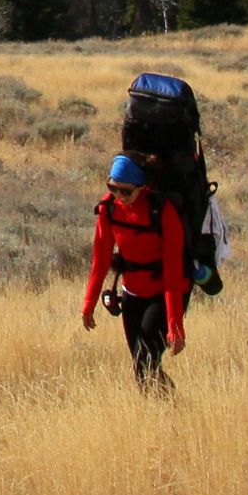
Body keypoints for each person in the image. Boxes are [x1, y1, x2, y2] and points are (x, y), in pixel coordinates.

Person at [80, 153, 187, 391]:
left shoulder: (162, 212)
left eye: (126, 191)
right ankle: (171, 412)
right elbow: (100, 259)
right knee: (145, 367)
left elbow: (172, 271)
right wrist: (89, 303)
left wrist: (175, 325)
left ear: (142, 187)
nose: (119, 196)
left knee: (143, 364)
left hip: (161, 294)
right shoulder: (109, 209)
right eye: (112, 187)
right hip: (131, 295)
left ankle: (165, 413)